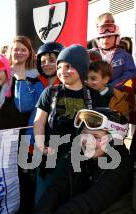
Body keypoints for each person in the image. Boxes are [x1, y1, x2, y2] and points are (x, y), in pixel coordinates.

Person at [33, 45, 104, 202]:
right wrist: (39, 144)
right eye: (59, 67)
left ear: (81, 68)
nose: (62, 71)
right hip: (50, 155)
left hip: (79, 158)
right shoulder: (50, 92)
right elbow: (38, 121)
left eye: (69, 66)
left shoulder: (93, 96)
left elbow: (100, 128)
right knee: (44, 198)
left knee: (71, 200)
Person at [95, 14, 136, 89]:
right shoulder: (93, 55)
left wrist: (110, 87)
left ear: (117, 38)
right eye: (102, 37)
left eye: (109, 37)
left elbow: (130, 75)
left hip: (117, 95)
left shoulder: (125, 56)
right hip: (96, 95)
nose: (105, 40)